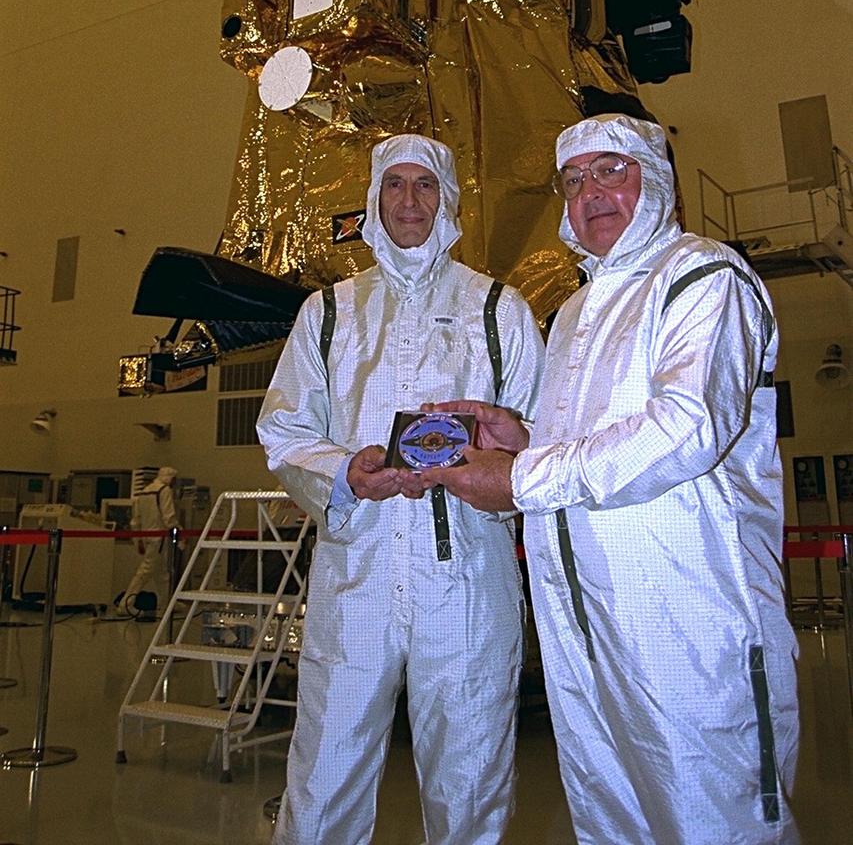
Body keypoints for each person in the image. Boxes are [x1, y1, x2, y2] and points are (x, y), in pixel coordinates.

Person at [424, 114, 800, 844]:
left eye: (610, 172)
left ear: (652, 181)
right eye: (572, 180)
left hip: (690, 623)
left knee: (713, 818)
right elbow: (588, 452)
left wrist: (522, 475)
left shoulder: (701, 277)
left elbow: (686, 428)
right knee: (612, 819)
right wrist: (521, 437)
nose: (589, 193)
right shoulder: (572, 314)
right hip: (581, 622)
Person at [257, 133, 544, 845]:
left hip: (468, 578)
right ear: (372, 200)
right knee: (325, 769)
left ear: (445, 201)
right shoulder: (327, 313)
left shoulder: (498, 310)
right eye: (394, 185)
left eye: (423, 186)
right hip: (357, 570)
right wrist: (343, 474)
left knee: (470, 773)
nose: (408, 201)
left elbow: (542, 435)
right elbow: (284, 429)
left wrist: (500, 470)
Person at [120, 466, 179, 616]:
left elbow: (136, 520)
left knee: (161, 574)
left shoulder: (144, 492)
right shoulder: (164, 491)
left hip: (147, 536)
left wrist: (138, 538)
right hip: (159, 538)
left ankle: (167, 603)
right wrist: (179, 531)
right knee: (145, 572)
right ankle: (126, 604)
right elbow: (168, 517)